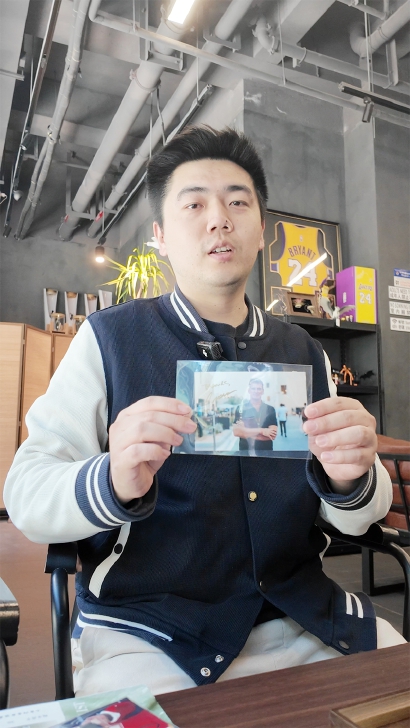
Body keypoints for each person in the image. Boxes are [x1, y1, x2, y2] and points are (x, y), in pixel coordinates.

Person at [4, 126, 405, 699]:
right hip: (149, 635)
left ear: (261, 231)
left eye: (238, 203)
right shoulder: (109, 340)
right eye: (194, 204)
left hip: (305, 618)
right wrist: (111, 479)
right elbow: (26, 492)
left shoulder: (303, 351)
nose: (219, 219)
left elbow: (360, 517)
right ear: (161, 237)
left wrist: (351, 479)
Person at [232, 378, 278, 451]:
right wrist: (262, 431)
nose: (256, 391)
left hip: (266, 452)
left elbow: (272, 436)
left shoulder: (270, 409)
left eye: (259, 389)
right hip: (245, 452)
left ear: (262, 391)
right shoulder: (241, 408)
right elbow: (237, 432)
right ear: (249, 391)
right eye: (253, 388)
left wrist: (245, 432)